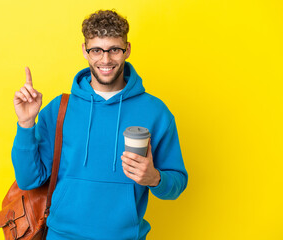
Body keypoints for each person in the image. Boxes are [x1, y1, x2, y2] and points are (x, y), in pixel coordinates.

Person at [12, 9, 188, 240]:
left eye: (114, 49)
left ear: (127, 50)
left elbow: (177, 183)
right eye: (97, 50)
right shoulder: (60, 108)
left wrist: (155, 178)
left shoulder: (155, 112)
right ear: (85, 51)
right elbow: (29, 180)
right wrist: (26, 123)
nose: (105, 60)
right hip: (61, 235)